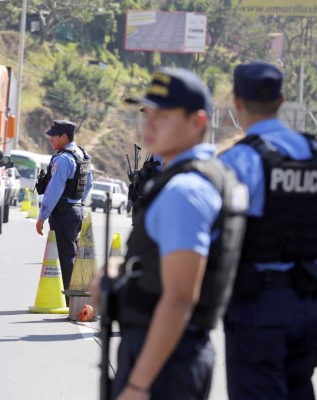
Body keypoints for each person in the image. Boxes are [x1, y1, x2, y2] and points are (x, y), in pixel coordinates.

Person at [92, 68, 248, 400]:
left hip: (164, 360)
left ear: (197, 123)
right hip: (171, 354)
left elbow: (179, 297)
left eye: (163, 116)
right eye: (147, 113)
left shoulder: (185, 190)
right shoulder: (201, 177)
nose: (149, 124)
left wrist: (138, 384)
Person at [219, 61, 317, 400]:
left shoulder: (238, 161)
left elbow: (215, 242)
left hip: (255, 308)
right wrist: (315, 290)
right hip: (306, 305)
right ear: (281, 101)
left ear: (237, 102)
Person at [35, 120, 93, 292]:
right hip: (76, 210)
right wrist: (76, 202)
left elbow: (54, 191)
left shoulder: (64, 159)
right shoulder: (82, 155)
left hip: (63, 213)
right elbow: (88, 184)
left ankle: (70, 297)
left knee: (64, 256)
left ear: (64, 136)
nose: (51, 138)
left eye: (54, 135)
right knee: (72, 253)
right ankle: (73, 295)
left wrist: (42, 217)